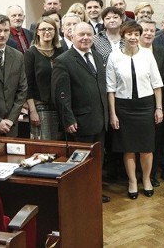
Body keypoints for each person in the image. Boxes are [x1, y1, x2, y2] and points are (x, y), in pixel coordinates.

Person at [52, 22, 110, 203]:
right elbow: (61, 94)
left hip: (100, 119)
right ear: (72, 36)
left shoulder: (98, 56)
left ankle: (94, 192)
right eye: (81, 35)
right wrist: (68, 119)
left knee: (97, 160)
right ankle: (80, 195)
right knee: (80, 162)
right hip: (80, 121)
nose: (85, 38)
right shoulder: (63, 60)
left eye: (88, 34)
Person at [107, 21, 164, 199]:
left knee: (147, 147)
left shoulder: (147, 54)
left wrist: (159, 108)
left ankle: (146, 180)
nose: (133, 37)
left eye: (136, 34)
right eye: (129, 34)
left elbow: (157, 84)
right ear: (123, 35)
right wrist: (113, 113)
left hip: (146, 106)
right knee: (129, 148)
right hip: (124, 107)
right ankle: (132, 181)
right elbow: (111, 88)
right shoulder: (114, 56)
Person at [139, 19, 164, 185]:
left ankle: (151, 174)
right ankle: (138, 174)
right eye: (145, 30)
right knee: (139, 141)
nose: (148, 33)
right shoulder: (130, 52)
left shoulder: (162, 52)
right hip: (137, 106)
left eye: (152, 31)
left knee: (156, 141)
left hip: (158, 104)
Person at [24, 17, 65, 140]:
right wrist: (32, 111)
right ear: (37, 32)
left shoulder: (60, 51)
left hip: (60, 107)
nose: (47, 32)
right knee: (46, 146)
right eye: (43, 29)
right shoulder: (31, 53)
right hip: (40, 107)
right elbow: (27, 84)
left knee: (61, 144)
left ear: (55, 31)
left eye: (50, 29)